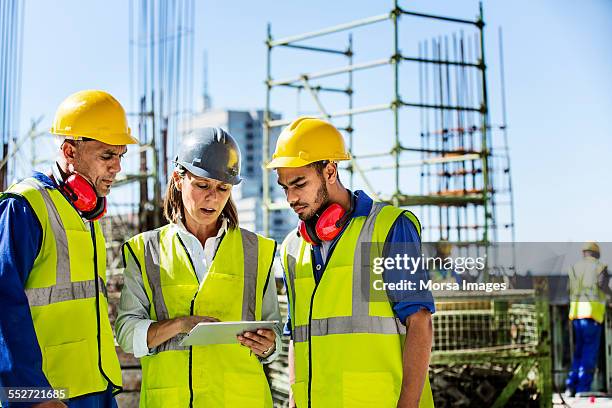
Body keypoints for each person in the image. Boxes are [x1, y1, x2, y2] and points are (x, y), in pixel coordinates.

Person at [267, 117, 435, 408]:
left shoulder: (388, 229)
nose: (291, 198)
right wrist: (294, 400)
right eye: (284, 187)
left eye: (299, 183)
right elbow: (298, 336)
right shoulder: (292, 248)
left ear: (330, 171)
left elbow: (419, 323)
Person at [115, 127, 283, 407]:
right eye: (203, 185)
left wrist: (269, 345)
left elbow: (273, 332)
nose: (213, 198)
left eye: (223, 189)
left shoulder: (258, 251)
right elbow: (127, 334)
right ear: (179, 180)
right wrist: (181, 324)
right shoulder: (146, 251)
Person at [0, 90, 137, 407]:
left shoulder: (86, 214)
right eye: (107, 156)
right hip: (45, 395)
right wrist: (32, 394)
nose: (117, 167)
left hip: (95, 388)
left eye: (120, 156)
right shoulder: (25, 206)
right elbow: (4, 305)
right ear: (69, 151)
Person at [565, 241, 611, 396]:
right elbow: (602, 285)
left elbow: (568, 289)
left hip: (576, 315)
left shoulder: (575, 268)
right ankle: (583, 389)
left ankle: (571, 386)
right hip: (592, 315)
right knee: (589, 353)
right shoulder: (599, 266)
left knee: (578, 352)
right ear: (596, 253)